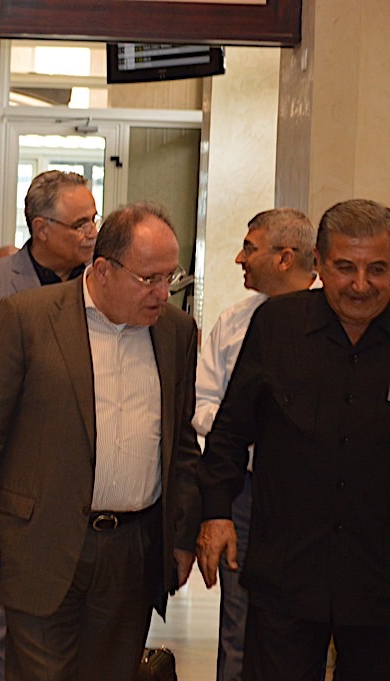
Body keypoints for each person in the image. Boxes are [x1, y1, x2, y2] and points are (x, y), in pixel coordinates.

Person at [0, 201, 201, 681]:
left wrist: (182, 534)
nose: (162, 293)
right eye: (148, 279)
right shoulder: (26, 318)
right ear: (103, 270)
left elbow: (181, 443)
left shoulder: (175, 331)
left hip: (133, 550)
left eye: (170, 277)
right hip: (42, 543)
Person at [197, 198, 390, 681]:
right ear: (319, 264)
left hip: (379, 578)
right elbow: (230, 430)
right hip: (287, 570)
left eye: (378, 269)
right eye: (345, 268)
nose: (361, 284)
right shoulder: (277, 325)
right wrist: (217, 513)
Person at [0, 170, 98, 681]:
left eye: (94, 219)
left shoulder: (97, 287)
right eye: (80, 223)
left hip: (76, 506)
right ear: (41, 228)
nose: (92, 233)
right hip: (8, 503)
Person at [193, 208, 318, 681]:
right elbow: (204, 403)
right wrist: (248, 427)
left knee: (306, 623)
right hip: (245, 493)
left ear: (285, 258)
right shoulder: (234, 322)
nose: (238, 258)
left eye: (250, 247)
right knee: (239, 624)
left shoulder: (335, 320)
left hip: (312, 494)